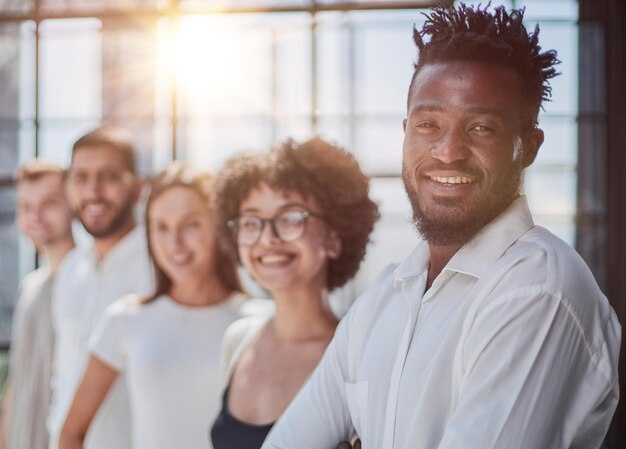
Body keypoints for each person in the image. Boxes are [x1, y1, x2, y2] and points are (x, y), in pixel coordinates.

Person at [261, 4, 621, 449]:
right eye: (429, 124)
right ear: (406, 131)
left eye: (481, 127)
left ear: (527, 147)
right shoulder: (381, 301)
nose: (448, 152)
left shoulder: (538, 291)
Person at [59, 162, 269, 449]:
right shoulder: (126, 319)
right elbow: (71, 433)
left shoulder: (262, 322)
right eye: (161, 227)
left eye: (191, 224)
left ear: (220, 226)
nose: (175, 242)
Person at [209, 138, 379, 449]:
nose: (268, 238)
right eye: (251, 221)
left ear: (334, 238)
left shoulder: (358, 358)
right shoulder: (238, 340)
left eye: (290, 218)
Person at [48, 126, 154, 449]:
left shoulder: (158, 270)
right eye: (81, 178)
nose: (93, 192)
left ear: (137, 189)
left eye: (108, 176)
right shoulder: (69, 270)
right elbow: (61, 379)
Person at [0, 162, 75, 449]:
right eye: (25, 206)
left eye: (49, 204)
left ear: (72, 206)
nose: (35, 216)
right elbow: (17, 379)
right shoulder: (30, 287)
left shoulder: (88, 281)